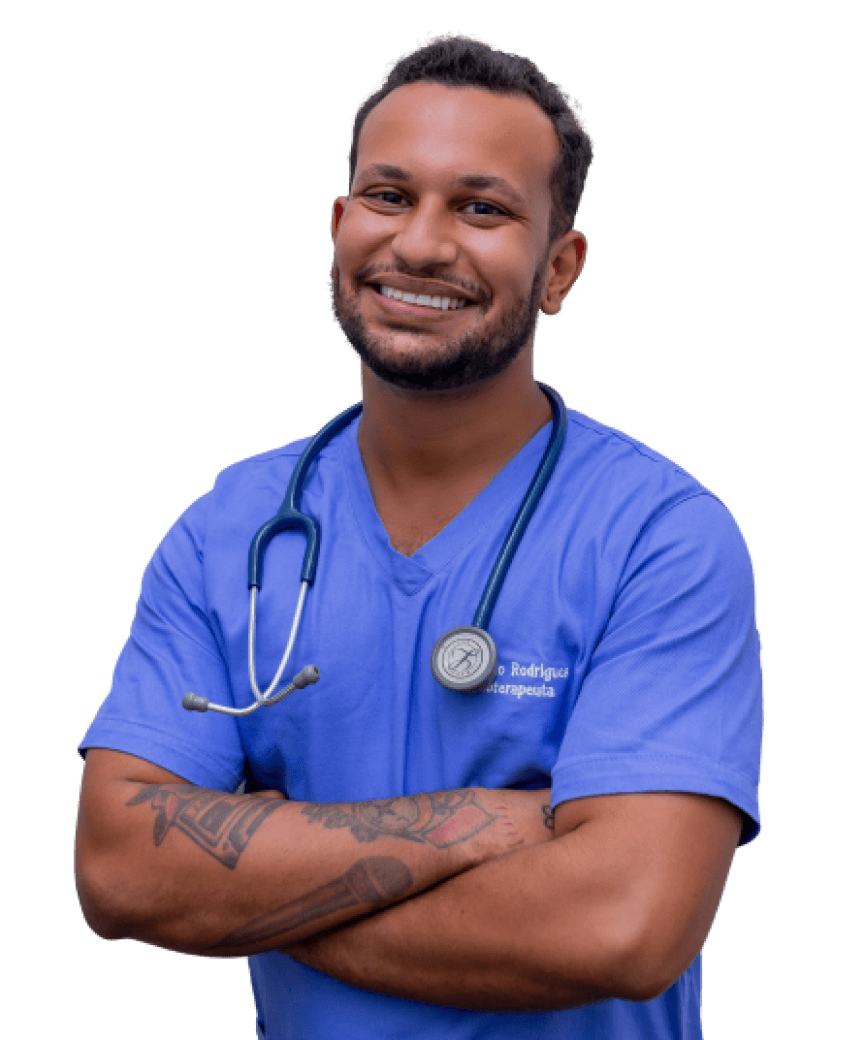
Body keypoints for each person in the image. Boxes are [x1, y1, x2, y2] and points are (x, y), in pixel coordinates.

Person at [74, 31, 763, 1040]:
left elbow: (622, 926)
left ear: (559, 269)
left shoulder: (660, 538)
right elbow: (117, 870)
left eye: (482, 208)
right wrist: (480, 823)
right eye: (389, 196)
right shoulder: (230, 530)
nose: (423, 243)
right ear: (339, 227)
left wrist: (251, 895)